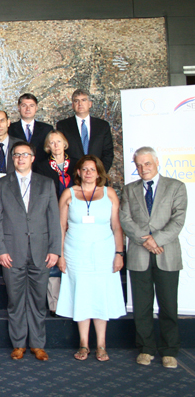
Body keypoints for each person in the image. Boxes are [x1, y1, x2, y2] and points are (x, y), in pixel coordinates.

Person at [0, 141, 61, 361]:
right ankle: (19, 343)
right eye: (16, 155)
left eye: (25, 155)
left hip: (41, 252)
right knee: (15, 301)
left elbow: (54, 219)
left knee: (39, 300)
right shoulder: (1, 185)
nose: (20, 158)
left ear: (33, 157)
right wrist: (0, 250)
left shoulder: (47, 183)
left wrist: (55, 250)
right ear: (12, 159)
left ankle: (38, 344)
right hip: (12, 252)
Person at [120, 147, 188, 369]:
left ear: (156, 162)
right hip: (139, 255)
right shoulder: (129, 190)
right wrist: (145, 241)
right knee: (141, 306)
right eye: (138, 165)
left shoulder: (176, 187)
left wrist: (156, 239)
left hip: (167, 254)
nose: (143, 169)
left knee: (168, 305)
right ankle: (146, 348)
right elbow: (125, 219)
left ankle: (169, 350)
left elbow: (178, 220)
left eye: (147, 164)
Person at [56, 155, 125, 362]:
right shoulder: (69, 194)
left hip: (104, 253)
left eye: (92, 170)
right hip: (75, 253)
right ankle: (84, 344)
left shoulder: (109, 194)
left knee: (100, 294)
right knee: (82, 294)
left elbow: (116, 226)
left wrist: (119, 254)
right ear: (78, 172)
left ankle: (101, 344)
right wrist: (60, 255)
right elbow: (60, 227)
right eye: (84, 169)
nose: (88, 173)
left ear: (98, 173)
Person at [35, 130, 75, 315]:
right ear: (47, 147)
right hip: (50, 215)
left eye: (59, 141)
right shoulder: (42, 166)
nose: (56, 145)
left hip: (75, 215)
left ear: (65, 143)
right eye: (52, 142)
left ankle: (74, 299)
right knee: (52, 256)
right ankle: (54, 302)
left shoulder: (76, 164)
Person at [56, 88, 114, 172]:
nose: (80, 104)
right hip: (72, 175)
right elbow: (60, 152)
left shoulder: (102, 126)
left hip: (97, 177)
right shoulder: (63, 125)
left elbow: (108, 153)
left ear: (90, 104)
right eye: (76, 101)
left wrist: (99, 173)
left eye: (83, 100)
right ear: (72, 105)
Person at [8, 93, 53, 166]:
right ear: (19, 108)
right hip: (17, 170)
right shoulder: (9, 129)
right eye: (24, 105)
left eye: (31, 106)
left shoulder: (47, 129)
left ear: (36, 108)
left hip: (41, 172)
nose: (28, 109)